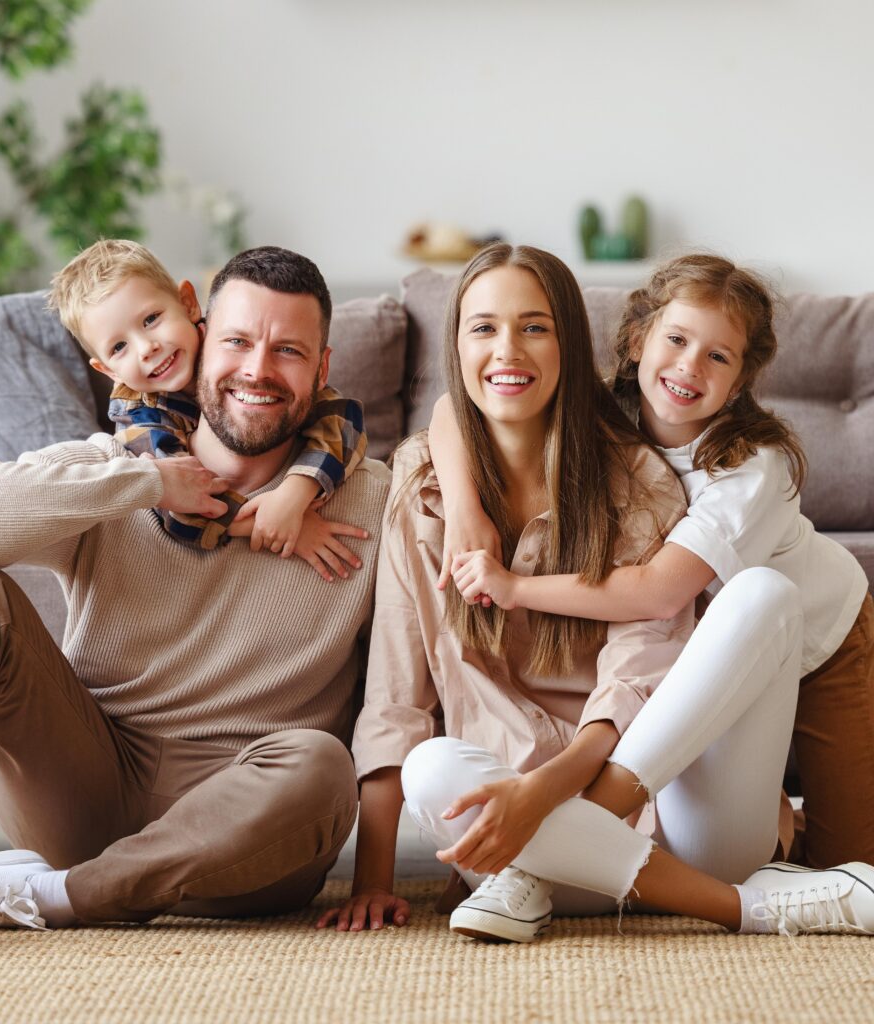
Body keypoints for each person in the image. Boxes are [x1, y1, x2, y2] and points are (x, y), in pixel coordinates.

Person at [320, 243, 874, 943]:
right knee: (434, 765)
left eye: (535, 327)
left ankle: (552, 870)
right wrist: (372, 881)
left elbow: (649, 629)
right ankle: (746, 904)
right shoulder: (428, 486)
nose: (508, 349)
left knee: (762, 593)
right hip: (507, 834)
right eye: (482, 328)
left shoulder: (652, 474)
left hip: (666, 805)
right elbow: (395, 698)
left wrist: (546, 795)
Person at [0, 246, 390, 955]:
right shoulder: (117, 465)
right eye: (237, 341)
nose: (257, 369)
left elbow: (400, 691)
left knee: (323, 766)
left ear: (321, 369)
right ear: (203, 333)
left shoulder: (376, 498)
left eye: (287, 349)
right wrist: (148, 484)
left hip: (247, 832)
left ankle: (44, 894)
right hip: (84, 787)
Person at [432, 254, 873, 868]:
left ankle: (573, 830)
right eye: (677, 339)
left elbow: (661, 591)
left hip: (823, 640)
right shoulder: (610, 411)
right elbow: (455, 406)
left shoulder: (751, 467)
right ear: (638, 340)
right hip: (711, 646)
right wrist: (461, 506)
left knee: (853, 862)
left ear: (742, 380)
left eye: (718, 357)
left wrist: (514, 587)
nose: (690, 367)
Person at [49, 238, 367, 564]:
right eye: (119, 347)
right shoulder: (140, 418)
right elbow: (182, 506)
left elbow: (343, 417)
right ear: (108, 370)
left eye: (150, 320)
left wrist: (295, 493)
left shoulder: (227, 341)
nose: (147, 348)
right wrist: (273, 524)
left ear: (188, 303)